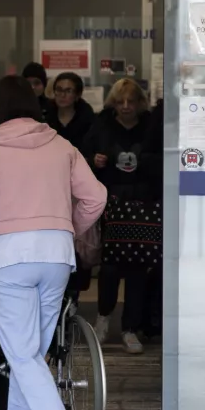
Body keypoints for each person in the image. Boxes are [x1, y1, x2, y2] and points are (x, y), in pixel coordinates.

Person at [0, 75, 106, 410]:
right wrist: (66, 228)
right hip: (57, 255)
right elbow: (96, 197)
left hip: (11, 256)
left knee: (23, 356)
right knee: (32, 358)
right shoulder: (61, 145)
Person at [82, 78, 159, 354]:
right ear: (113, 103)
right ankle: (103, 318)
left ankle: (130, 328)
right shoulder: (102, 124)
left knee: (138, 268)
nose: (125, 107)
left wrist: (146, 162)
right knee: (111, 266)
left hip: (144, 202)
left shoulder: (152, 126)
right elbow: (84, 155)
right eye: (120, 101)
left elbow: (163, 159)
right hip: (111, 200)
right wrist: (95, 161)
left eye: (131, 101)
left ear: (140, 102)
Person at [46, 72, 95, 151]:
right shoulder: (45, 115)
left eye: (68, 91)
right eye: (59, 90)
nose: (62, 95)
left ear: (77, 95)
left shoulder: (87, 119)